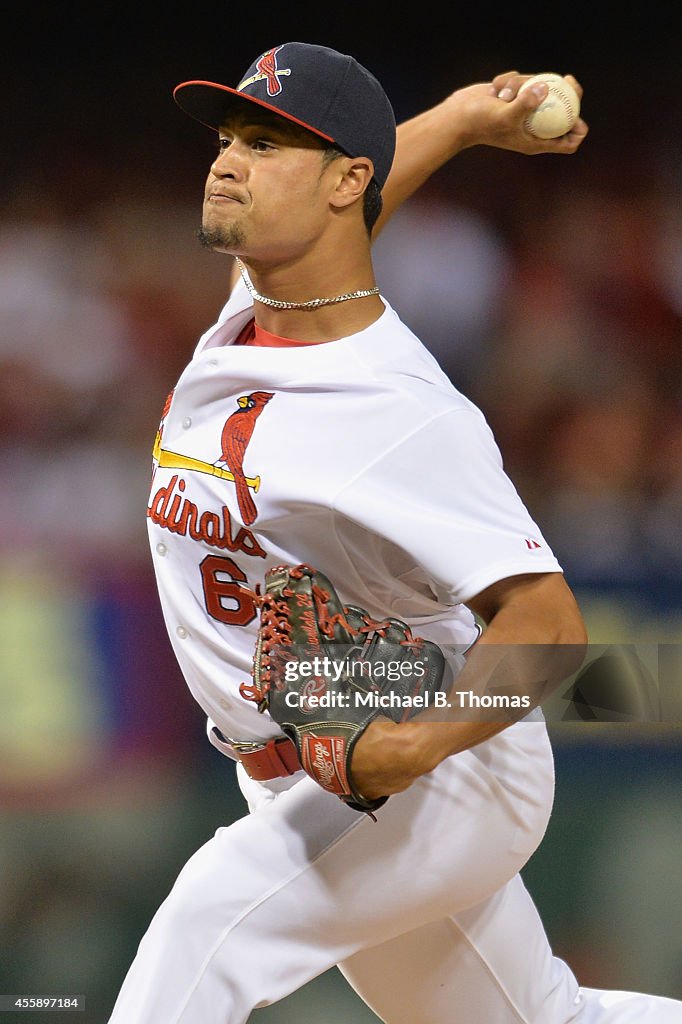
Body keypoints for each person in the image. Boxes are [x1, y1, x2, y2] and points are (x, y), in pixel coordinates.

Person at [108, 42, 681, 1023]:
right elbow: (361, 193)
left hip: (441, 772)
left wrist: (414, 744)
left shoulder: (401, 412)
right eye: (230, 136)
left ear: (343, 181)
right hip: (302, 766)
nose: (226, 161)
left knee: (206, 925)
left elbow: (546, 628)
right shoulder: (265, 306)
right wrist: (460, 119)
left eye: (268, 143)